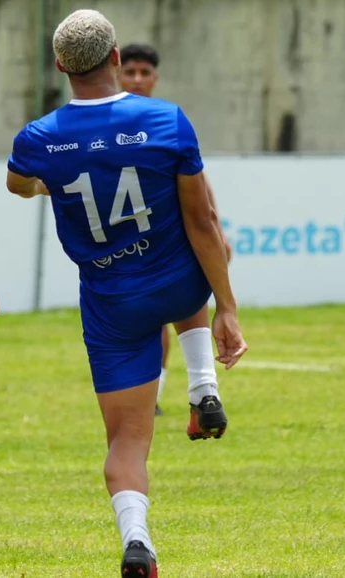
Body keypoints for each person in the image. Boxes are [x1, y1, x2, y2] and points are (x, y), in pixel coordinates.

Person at [6, 10, 248, 577]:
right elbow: (203, 219)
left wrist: (47, 182)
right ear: (116, 57)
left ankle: (138, 539)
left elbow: (18, 184)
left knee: (128, 441)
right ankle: (202, 388)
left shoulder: (38, 138)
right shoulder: (167, 120)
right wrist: (228, 308)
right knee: (183, 257)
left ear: (61, 65)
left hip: (113, 303)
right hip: (178, 283)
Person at [118, 43, 234, 419]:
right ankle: (198, 390)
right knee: (163, 314)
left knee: (178, 305)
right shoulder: (106, 121)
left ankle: (167, 397)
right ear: (118, 73)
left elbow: (195, 179)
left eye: (144, 73)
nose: (137, 80)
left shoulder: (166, 120)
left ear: (155, 78)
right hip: (123, 238)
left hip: (165, 233)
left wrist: (215, 225)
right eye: (130, 72)